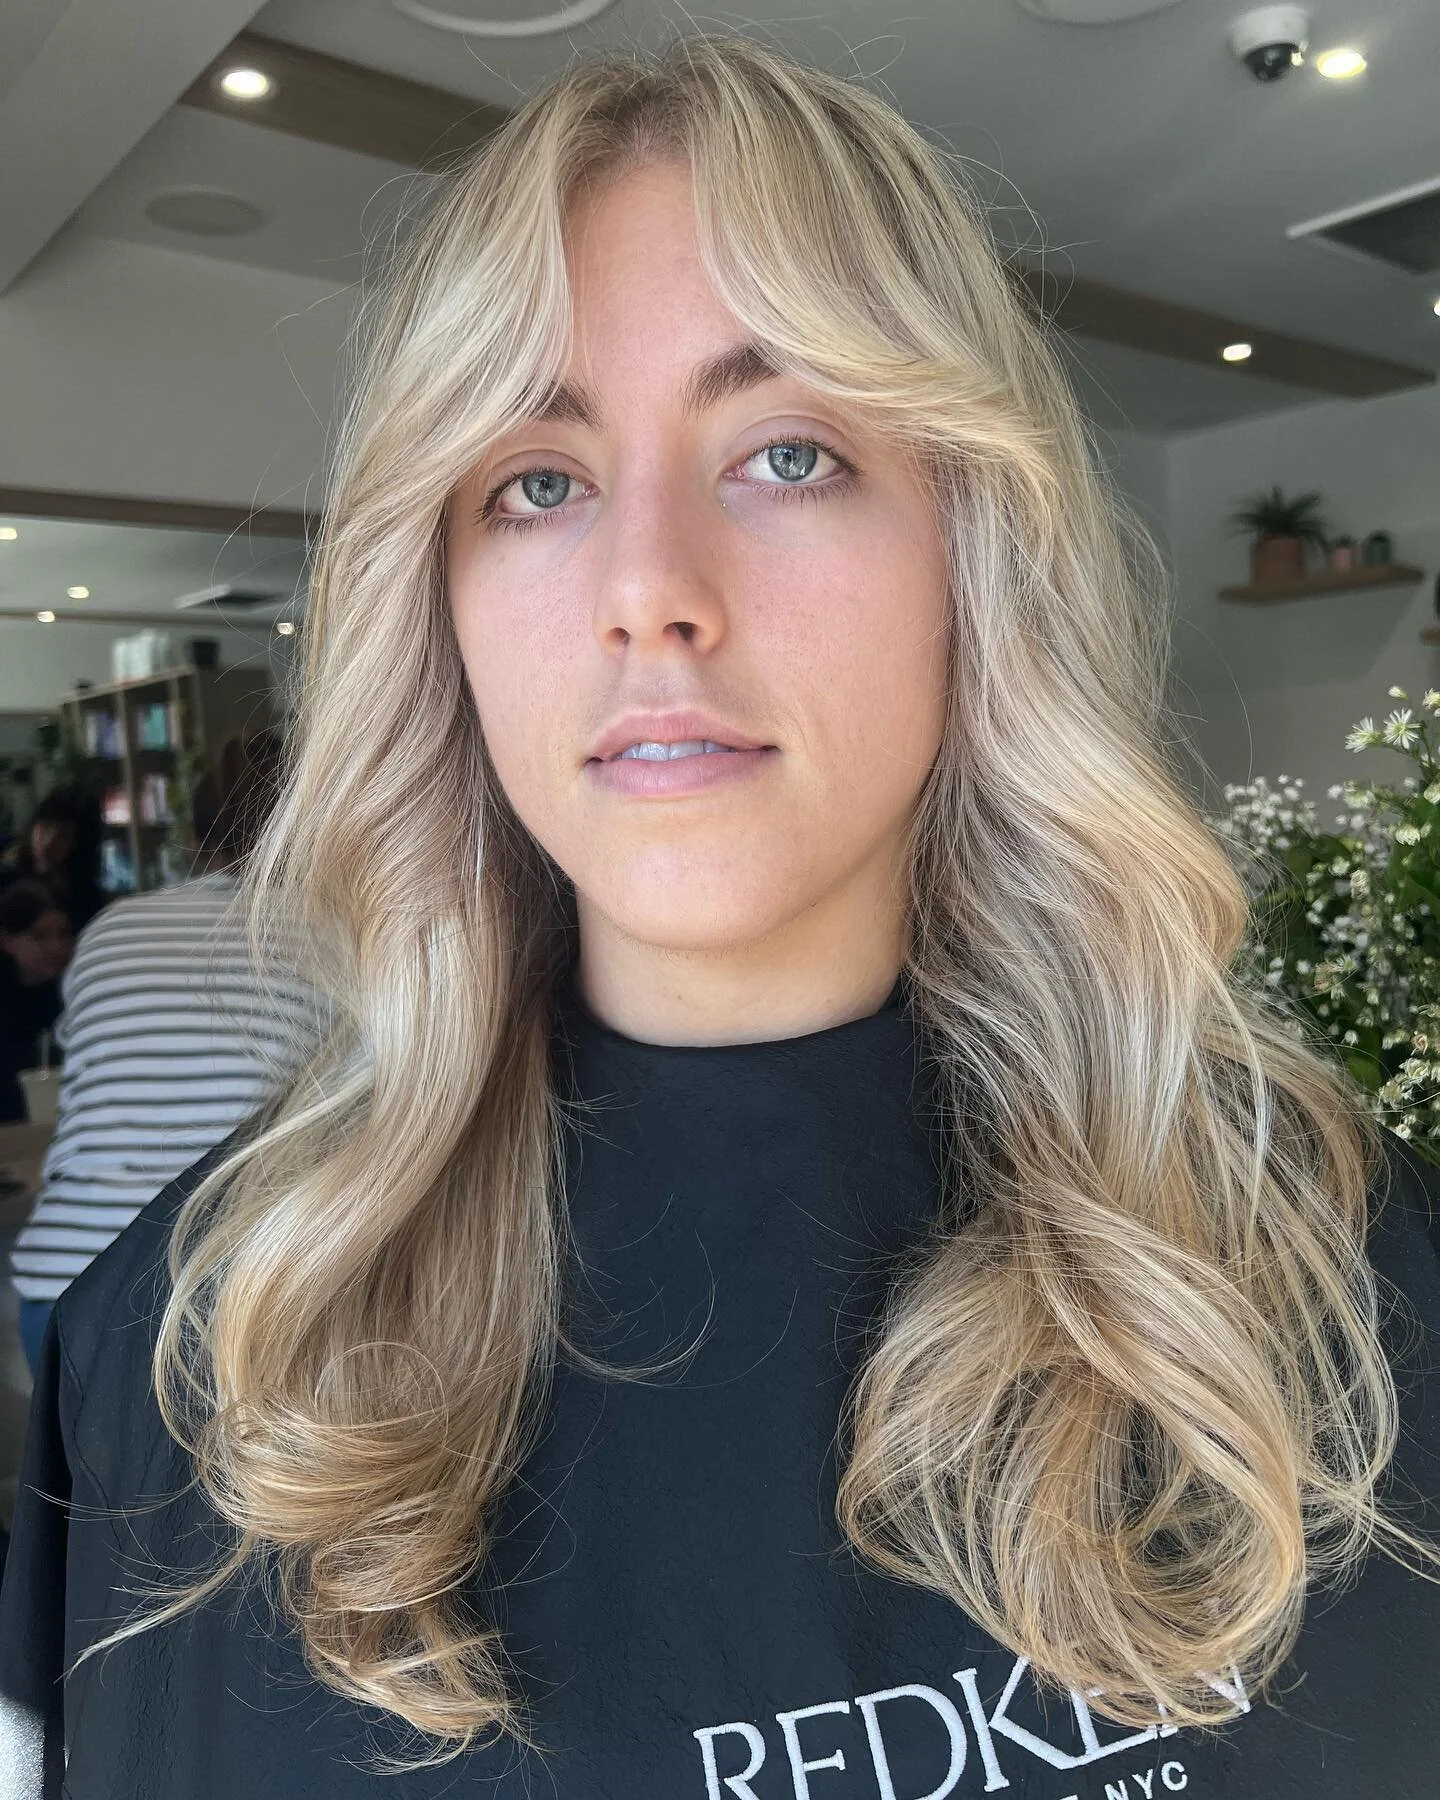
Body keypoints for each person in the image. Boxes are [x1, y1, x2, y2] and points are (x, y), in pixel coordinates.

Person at [2, 38, 1438, 1800]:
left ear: (976, 548)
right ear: (437, 602)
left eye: (788, 453)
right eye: (535, 481)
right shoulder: (187, 1367)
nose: (648, 594)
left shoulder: (1350, 1278)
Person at [7, 732, 317, 1375]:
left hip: (60, 1293)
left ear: (197, 836)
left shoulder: (110, 928)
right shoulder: (335, 934)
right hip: (228, 1294)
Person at [0, 880, 73, 1124]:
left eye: (64, 934)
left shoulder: (78, 998)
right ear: (7, 942)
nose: (57, 947)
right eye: (39, 936)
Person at [0, 786, 107, 934]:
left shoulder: (85, 898)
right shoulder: (7, 878)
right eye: (45, 827)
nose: (49, 842)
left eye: (64, 836)